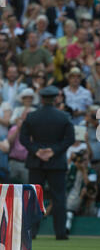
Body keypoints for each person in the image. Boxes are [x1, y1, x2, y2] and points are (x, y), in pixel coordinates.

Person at [20, 85, 75, 240]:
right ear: (55, 99)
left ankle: (31, 232)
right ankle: (60, 233)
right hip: (56, 162)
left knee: (33, 198)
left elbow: (23, 138)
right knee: (59, 198)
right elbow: (70, 139)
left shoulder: (31, 117)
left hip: (36, 162)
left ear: (42, 99)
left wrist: (37, 150)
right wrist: (53, 151)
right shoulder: (64, 117)